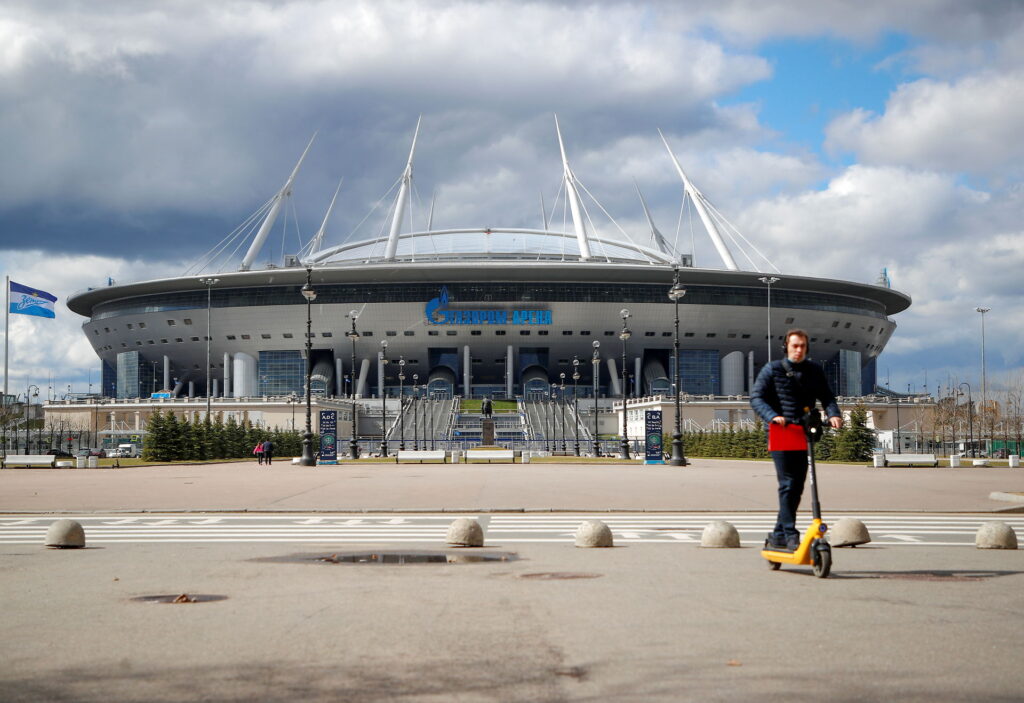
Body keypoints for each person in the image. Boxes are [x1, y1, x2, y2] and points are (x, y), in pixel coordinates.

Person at [750, 329, 842, 551]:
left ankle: (778, 534)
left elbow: (827, 396)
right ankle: (790, 533)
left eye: (802, 346)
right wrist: (773, 416)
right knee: (788, 484)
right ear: (786, 347)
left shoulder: (814, 371)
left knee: (798, 485)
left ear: (806, 348)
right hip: (781, 431)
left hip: (804, 431)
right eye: (795, 346)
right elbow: (756, 398)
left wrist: (834, 414)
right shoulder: (772, 370)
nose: (798, 350)